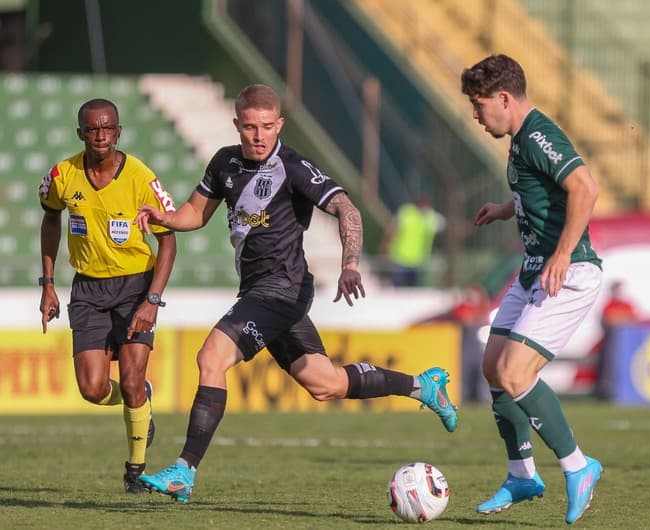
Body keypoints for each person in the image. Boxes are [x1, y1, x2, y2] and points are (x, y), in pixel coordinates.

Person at [133, 84, 458, 503]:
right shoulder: (224, 163)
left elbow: (347, 208)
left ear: (279, 124)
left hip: (282, 291)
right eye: (249, 127)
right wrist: (166, 217)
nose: (258, 136)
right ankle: (421, 386)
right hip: (259, 291)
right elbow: (196, 212)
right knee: (325, 384)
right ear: (237, 125)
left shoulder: (294, 167)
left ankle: (185, 469)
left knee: (211, 357)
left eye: (267, 127)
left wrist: (351, 263)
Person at [461, 54, 604, 524]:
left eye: (479, 106)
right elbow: (545, 190)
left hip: (569, 271)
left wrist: (562, 254)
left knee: (516, 373)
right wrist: (506, 209)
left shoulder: (539, 132)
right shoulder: (521, 140)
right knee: (493, 368)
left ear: (504, 98)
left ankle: (579, 467)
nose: (476, 116)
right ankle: (522, 474)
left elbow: (584, 187)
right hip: (534, 270)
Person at [38, 98, 177, 493]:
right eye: (92, 129)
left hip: (135, 286)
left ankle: (135, 472)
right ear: (80, 133)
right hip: (88, 289)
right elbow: (50, 218)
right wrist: (48, 284)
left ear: (119, 132)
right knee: (92, 388)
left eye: (108, 128)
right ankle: (141, 402)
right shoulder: (62, 175)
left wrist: (151, 300)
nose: (100, 136)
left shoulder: (140, 177)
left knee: (132, 379)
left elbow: (168, 242)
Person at [381, 194, 445, 287]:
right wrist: (385, 249)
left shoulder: (431, 216)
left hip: (419, 261)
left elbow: (448, 226)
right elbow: (392, 231)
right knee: (398, 290)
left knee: (414, 291)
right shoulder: (406, 212)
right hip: (400, 259)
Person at [595, 280, 637, 400]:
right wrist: (622, 319)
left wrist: (619, 319)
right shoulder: (609, 305)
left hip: (626, 345)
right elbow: (610, 320)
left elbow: (634, 319)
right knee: (608, 367)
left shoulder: (627, 305)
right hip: (611, 344)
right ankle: (606, 392)